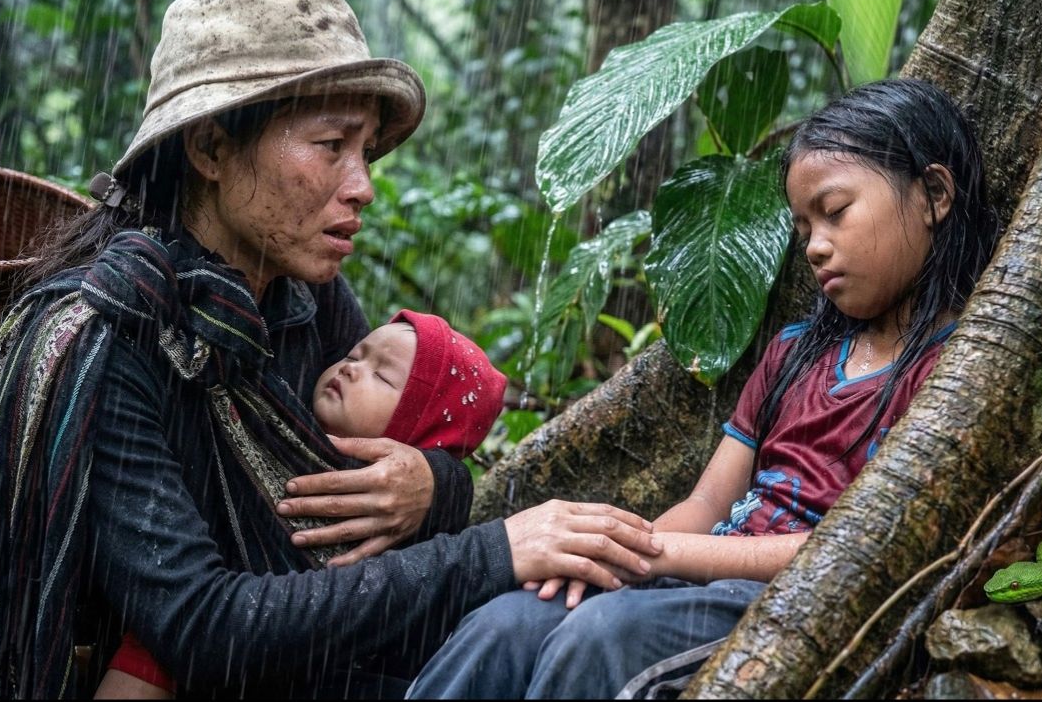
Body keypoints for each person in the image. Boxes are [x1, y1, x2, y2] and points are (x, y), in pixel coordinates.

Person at [0, 0, 661, 699]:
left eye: (366, 150)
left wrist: (438, 487)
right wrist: (491, 551)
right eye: (330, 145)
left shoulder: (301, 293)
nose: (363, 185)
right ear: (211, 147)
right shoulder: (109, 336)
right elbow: (201, 629)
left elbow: (379, 449)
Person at [407, 77, 1001, 700]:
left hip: (802, 606)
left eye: (836, 212)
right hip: (703, 577)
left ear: (934, 194)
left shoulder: (952, 374)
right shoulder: (795, 353)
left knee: (600, 640)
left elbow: (862, 550)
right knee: (507, 622)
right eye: (803, 230)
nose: (816, 248)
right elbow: (708, 503)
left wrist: (666, 557)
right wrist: (628, 559)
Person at [99, 309, 511, 699]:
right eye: (354, 354)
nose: (351, 367)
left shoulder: (420, 540)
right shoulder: (269, 432)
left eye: (383, 377)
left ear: (419, 432)